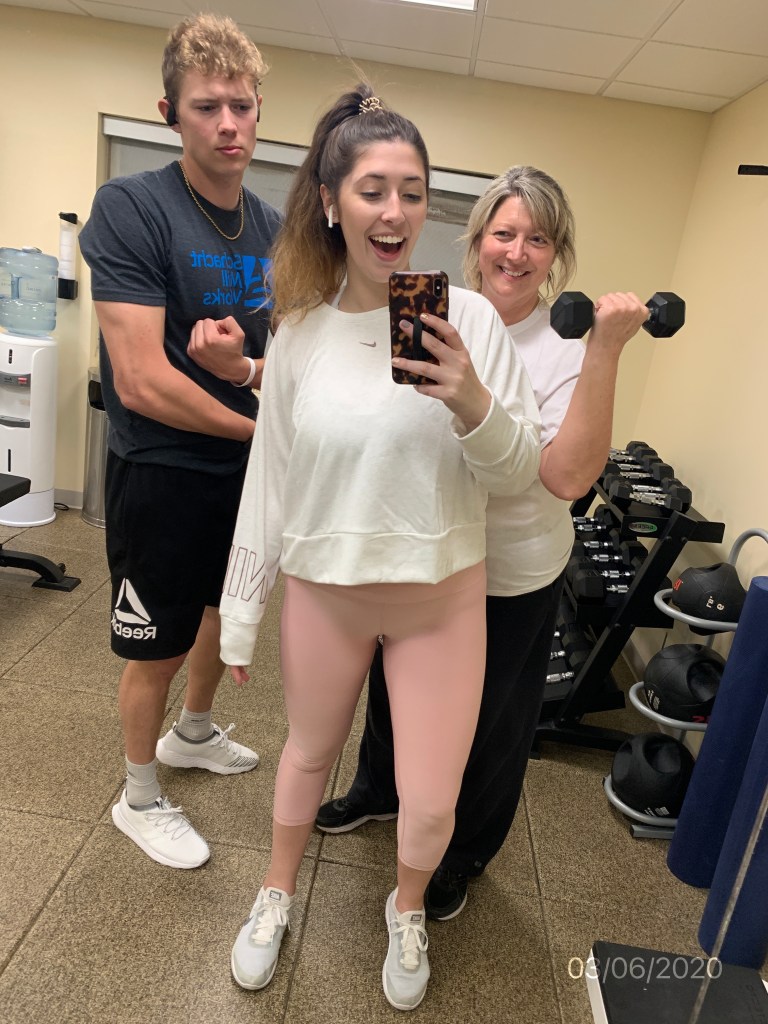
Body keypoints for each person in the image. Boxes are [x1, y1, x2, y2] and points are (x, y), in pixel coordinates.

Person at [218, 88, 541, 1010]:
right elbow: (270, 477)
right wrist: (241, 610)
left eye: (412, 191)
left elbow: (518, 472)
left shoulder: (470, 321)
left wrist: (470, 399)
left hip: (442, 595)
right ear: (330, 201)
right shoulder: (300, 329)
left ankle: (406, 908)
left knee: (431, 798)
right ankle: (274, 894)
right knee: (307, 756)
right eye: (371, 190)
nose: (394, 212)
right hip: (327, 591)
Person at [316, 165, 649, 919]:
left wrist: (606, 350)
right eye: (504, 233)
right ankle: (378, 789)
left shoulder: (568, 345)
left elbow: (566, 477)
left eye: (538, 239)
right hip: (422, 550)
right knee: (391, 684)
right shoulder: (433, 314)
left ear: (556, 253)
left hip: (509, 570)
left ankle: (463, 852)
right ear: (477, 241)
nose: (517, 253)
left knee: (489, 721)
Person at [79, 13, 282, 870]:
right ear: (171, 114)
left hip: (240, 472)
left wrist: (253, 376)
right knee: (155, 643)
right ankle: (138, 795)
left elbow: (284, 360)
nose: (228, 124)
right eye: (207, 107)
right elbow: (140, 381)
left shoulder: (273, 228)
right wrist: (266, 431)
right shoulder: (133, 208)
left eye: (242, 105)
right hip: (162, 468)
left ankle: (193, 734)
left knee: (217, 611)